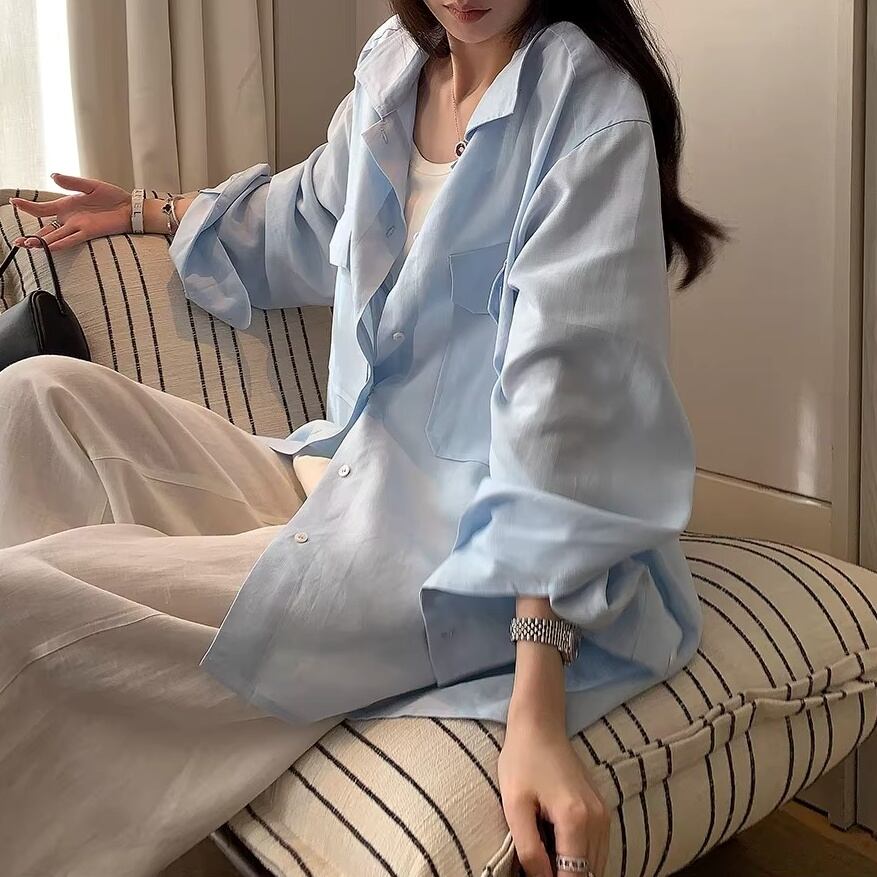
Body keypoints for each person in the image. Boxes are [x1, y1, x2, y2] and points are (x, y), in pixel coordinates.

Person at [4, 1, 727, 875]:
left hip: (463, 559)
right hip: (342, 466)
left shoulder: (588, 107)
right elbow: (308, 216)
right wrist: (148, 209)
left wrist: (535, 709)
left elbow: (565, 412)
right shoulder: (395, 66)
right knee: (36, 398)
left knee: (21, 603)